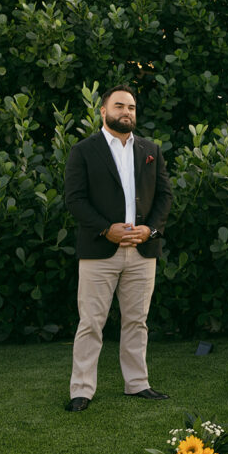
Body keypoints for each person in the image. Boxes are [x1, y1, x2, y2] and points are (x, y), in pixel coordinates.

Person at [63, 84, 173, 412]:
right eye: (120, 106)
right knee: (91, 322)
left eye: (132, 108)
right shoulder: (83, 150)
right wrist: (104, 229)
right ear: (103, 111)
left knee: (137, 321)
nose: (127, 112)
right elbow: (75, 199)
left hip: (142, 251)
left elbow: (165, 196)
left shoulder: (150, 148)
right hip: (99, 251)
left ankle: (137, 384)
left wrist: (150, 230)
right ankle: (81, 390)